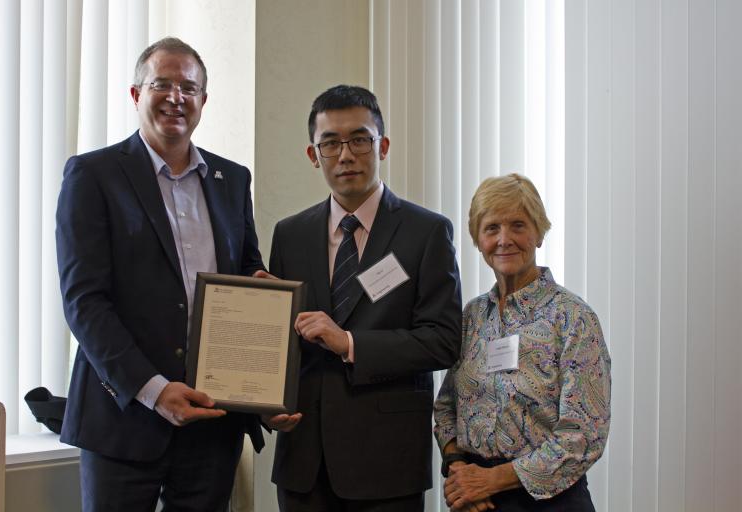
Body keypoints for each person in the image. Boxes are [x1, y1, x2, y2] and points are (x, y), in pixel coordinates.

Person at [56, 37, 266, 511]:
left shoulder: (232, 179)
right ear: (136, 94)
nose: (176, 97)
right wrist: (154, 391)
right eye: (162, 84)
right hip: (123, 417)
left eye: (189, 88)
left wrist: (263, 291)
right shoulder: (93, 175)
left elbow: (248, 268)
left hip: (214, 416)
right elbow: (84, 301)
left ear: (203, 102)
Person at [265, 85, 462, 511]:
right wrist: (265, 405)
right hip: (304, 461)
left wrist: (349, 343)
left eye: (359, 139)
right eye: (330, 143)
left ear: (383, 146)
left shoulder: (425, 232)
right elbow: (280, 343)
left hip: (386, 462)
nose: (345, 155)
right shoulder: (290, 234)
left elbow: (443, 340)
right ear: (313, 155)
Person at [433, 173, 611, 512]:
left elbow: (583, 435)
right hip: (475, 500)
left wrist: (493, 479)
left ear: (539, 233)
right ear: (478, 239)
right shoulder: (472, 317)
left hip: (549, 501)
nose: (504, 239)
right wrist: (460, 473)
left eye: (518, 225)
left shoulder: (572, 317)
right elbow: (446, 408)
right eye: (491, 228)